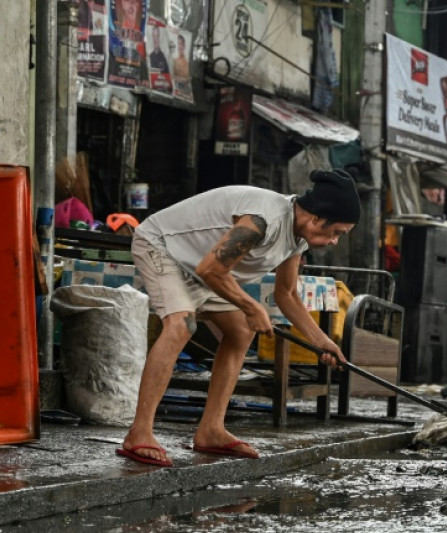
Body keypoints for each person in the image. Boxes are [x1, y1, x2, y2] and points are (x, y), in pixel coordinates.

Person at [117, 170, 360, 467]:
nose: (335, 241)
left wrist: (322, 342)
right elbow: (211, 269)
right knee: (181, 325)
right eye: (337, 232)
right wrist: (252, 307)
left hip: (199, 266)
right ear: (316, 218)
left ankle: (211, 430)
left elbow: (286, 294)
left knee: (242, 331)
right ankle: (139, 433)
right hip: (162, 246)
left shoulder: (297, 239)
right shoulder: (263, 219)